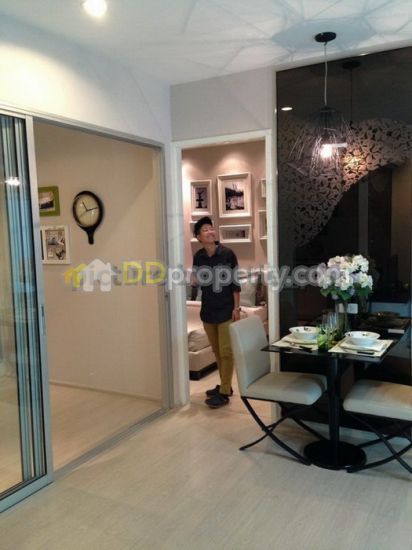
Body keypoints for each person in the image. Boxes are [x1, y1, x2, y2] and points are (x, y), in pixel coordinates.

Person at [191, 216, 241, 408]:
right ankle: (225, 385)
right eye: (205, 230)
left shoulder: (227, 254)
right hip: (208, 310)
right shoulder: (199, 256)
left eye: (211, 228)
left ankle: (224, 392)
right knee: (217, 351)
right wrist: (194, 279)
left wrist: (237, 308)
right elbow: (196, 279)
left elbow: (235, 283)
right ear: (198, 237)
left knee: (226, 351)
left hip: (227, 309)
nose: (210, 232)